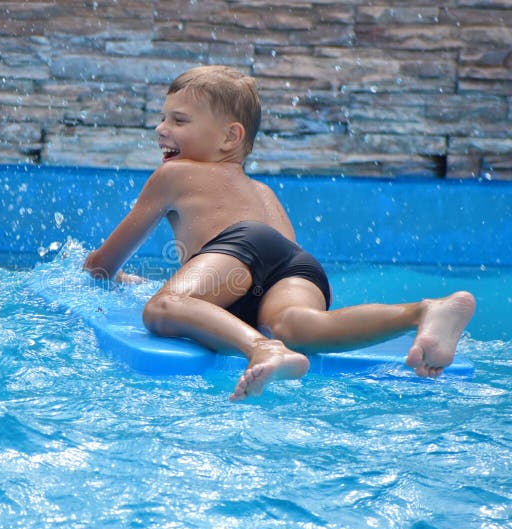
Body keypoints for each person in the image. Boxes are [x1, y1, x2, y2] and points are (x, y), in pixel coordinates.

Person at [83, 65, 476, 400]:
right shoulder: (264, 192)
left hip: (243, 248)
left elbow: (103, 264)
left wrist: (100, 272)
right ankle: (423, 311)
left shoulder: (175, 173)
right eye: (163, 118)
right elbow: (274, 259)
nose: (160, 128)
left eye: (178, 121)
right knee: (296, 325)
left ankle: (263, 349)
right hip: (298, 267)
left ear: (229, 137)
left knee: (162, 307)